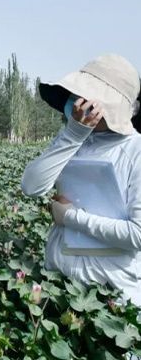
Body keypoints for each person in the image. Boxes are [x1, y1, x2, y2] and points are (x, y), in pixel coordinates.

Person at [21, 54, 141, 306]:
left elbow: (137, 234)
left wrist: (70, 217)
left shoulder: (136, 151)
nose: (76, 103)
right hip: (59, 286)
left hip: (111, 299)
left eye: (85, 97)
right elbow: (31, 186)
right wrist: (73, 134)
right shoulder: (74, 138)